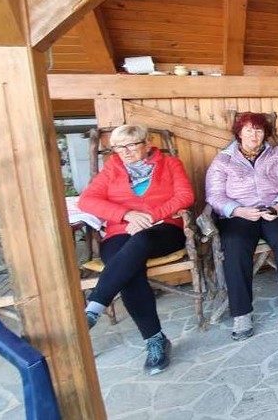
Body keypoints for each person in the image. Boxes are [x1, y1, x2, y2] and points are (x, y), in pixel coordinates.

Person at [78, 124, 194, 375]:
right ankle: (155, 340)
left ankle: (95, 306)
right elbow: (86, 201)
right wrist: (127, 214)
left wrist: (149, 217)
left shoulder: (170, 164)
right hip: (120, 232)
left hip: (163, 229)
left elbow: (185, 196)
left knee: (139, 243)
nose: (125, 151)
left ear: (147, 144)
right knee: (129, 270)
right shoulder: (111, 169)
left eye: (131, 145)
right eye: (119, 147)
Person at [205, 112, 278, 341]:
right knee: (235, 245)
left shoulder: (277, 154)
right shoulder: (223, 160)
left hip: (274, 209)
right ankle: (241, 313)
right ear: (239, 133)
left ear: (265, 134)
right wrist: (237, 210)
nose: (254, 135)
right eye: (249, 130)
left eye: (259, 130)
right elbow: (214, 195)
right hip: (240, 214)